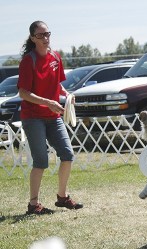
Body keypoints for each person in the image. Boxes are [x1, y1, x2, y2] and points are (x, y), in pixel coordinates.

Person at [18, 20, 83, 215]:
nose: (45, 38)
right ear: (33, 38)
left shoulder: (55, 57)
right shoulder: (28, 61)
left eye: (47, 34)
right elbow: (23, 93)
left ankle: (62, 197)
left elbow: (58, 86)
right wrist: (48, 102)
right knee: (41, 161)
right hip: (33, 117)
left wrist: (67, 95)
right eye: (41, 35)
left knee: (67, 154)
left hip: (53, 115)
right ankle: (33, 204)